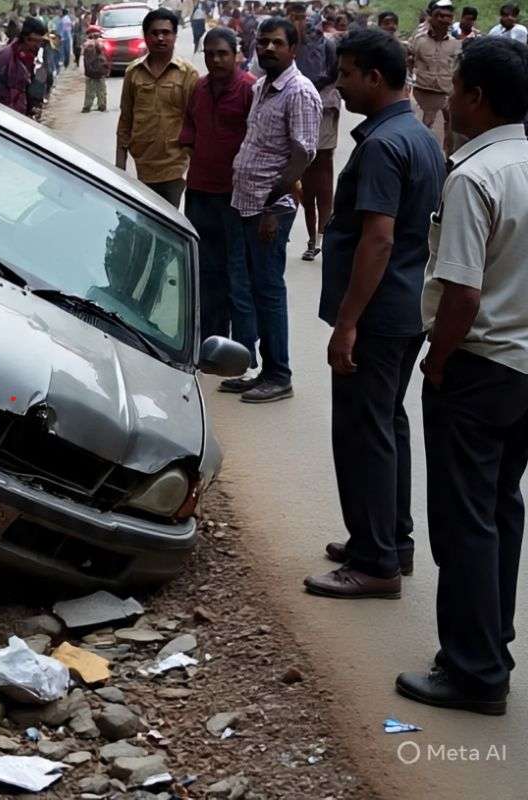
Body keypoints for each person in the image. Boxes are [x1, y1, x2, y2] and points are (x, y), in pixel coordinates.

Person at [396, 36, 528, 716]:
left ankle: (474, 672)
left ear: (474, 97)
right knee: (501, 506)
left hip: (478, 367)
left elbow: (463, 294)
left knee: (466, 521)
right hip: (522, 370)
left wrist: (438, 361)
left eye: (457, 92)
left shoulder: (474, 176)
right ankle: (490, 636)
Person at [302, 30, 445, 598]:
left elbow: (378, 240)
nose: (340, 84)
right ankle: (392, 539)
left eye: (348, 73)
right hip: (404, 307)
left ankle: (374, 560)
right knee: (388, 425)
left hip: (379, 313)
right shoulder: (417, 134)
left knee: (365, 432)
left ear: (375, 78)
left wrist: (347, 322)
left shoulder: (386, 145)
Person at [223, 17, 321, 402]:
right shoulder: (263, 85)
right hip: (245, 203)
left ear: (293, 49)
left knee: (268, 290)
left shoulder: (299, 91)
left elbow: (303, 155)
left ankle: (279, 374)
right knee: (253, 288)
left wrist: (271, 208)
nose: (268, 48)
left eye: (277, 43)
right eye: (263, 42)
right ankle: (262, 369)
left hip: (270, 210)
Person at [180, 28, 257, 354]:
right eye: (210, 53)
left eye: (222, 53)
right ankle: (210, 341)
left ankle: (242, 351)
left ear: (236, 54)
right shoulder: (198, 88)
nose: (215, 59)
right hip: (199, 192)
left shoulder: (250, 89)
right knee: (205, 270)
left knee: (236, 276)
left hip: (235, 197)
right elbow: (188, 133)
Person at [115, 8, 198, 207]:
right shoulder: (133, 72)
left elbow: (195, 122)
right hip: (142, 164)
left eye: (166, 32)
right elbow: (126, 119)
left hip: (174, 164)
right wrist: (119, 168)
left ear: (175, 36)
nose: (160, 38)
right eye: (154, 33)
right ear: (145, 36)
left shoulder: (187, 74)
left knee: (167, 219)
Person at [287, 2, 340, 261]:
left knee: (324, 180)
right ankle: (312, 238)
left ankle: (322, 237)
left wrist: (314, 85)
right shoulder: (290, 46)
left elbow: (334, 74)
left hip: (326, 111)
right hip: (300, 111)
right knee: (305, 183)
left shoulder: (328, 45)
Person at [408, 0, 461, 153]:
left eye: (448, 16)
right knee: (422, 129)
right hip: (422, 92)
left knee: (450, 128)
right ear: (430, 17)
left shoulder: (456, 44)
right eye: (439, 15)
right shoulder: (418, 40)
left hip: (446, 93)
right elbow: (409, 61)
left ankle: (447, 159)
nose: (444, 19)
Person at [0, 17, 48, 115]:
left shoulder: (31, 57)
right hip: (3, 113)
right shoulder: (6, 55)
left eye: (40, 42)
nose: (38, 45)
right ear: (26, 38)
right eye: (35, 41)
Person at [81, 25, 112, 111]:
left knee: (89, 91)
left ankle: (87, 106)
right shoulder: (102, 44)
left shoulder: (86, 45)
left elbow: (85, 61)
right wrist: (107, 70)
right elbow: (108, 58)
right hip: (100, 72)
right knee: (101, 90)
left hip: (90, 73)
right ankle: (102, 106)